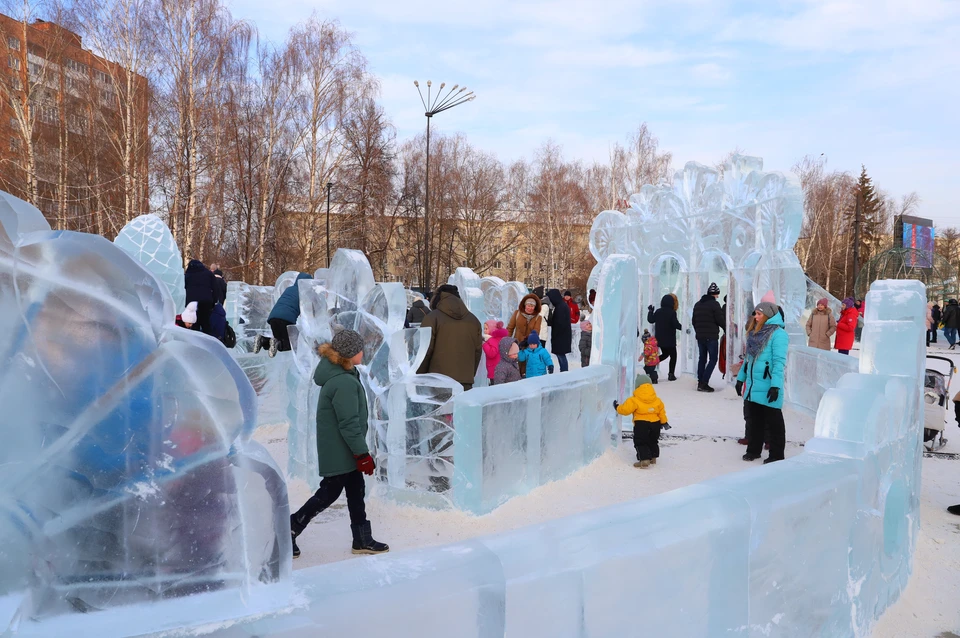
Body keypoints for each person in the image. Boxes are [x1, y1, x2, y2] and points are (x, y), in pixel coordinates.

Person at [289, 329, 388, 559]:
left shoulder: (343, 374)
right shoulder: (342, 382)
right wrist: (362, 454)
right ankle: (290, 528)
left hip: (344, 449)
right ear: (349, 354)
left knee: (356, 490)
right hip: (341, 450)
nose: (363, 352)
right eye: (359, 349)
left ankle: (362, 539)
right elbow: (349, 424)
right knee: (329, 493)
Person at [736, 301, 788, 463]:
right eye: (756, 314)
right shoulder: (754, 332)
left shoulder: (779, 334)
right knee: (754, 420)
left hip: (768, 384)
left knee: (774, 422)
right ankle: (753, 450)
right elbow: (748, 359)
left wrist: (775, 386)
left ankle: (776, 454)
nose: (756, 317)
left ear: (768, 315)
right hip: (753, 384)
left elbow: (779, 362)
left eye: (759, 314)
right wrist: (740, 379)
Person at [417, 284, 483, 390]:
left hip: (436, 382)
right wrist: (468, 375)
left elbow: (425, 351)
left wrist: (419, 377)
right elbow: (477, 352)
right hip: (465, 382)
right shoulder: (474, 321)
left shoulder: (432, 318)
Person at [614, 373, 671, 468]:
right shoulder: (657, 400)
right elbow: (662, 412)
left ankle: (644, 460)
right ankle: (653, 457)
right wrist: (664, 422)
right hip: (656, 424)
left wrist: (617, 407)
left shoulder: (634, 400)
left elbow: (625, 410)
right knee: (653, 440)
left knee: (641, 441)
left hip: (641, 424)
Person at [258, 272, 313, 356]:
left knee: (278, 340)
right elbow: (307, 311)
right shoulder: (303, 293)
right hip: (286, 320)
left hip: (273, 317)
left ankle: (263, 340)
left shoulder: (289, 289)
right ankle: (270, 341)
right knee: (288, 345)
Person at [692, 282, 725, 392]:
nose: (718, 297)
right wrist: (727, 329)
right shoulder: (714, 305)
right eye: (717, 295)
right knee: (713, 359)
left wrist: (698, 332)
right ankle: (704, 382)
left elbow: (694, 321)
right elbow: (720, 320)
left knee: (702, 358)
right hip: (711, 337)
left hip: (700, 337)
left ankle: (700, 380)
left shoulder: (697, 304)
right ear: (714, 294)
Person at [647, 294, 682, 381]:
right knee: (673, 356)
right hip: (670, 339)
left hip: (660, 339)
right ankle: (671, 374)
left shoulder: (658, 311)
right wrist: (683, 328)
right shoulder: (672, 313)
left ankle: (651, 364)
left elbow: (651, 320)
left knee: (665, 354)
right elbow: (675, 324)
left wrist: (650, 311)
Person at [184, 259, 217, 336]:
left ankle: (195, 343)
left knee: (194, 324)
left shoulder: (187, 275)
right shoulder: (209, 274)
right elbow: (215, 289)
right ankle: (209, 343)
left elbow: (184, 289)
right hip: (206, 302)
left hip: (191, 303)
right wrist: (213, 301)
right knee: (206, 324)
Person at [545, 289, 572, 372]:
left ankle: (564, 371)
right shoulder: (560, 306)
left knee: (561, 354)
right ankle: (563, 371)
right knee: (560, 354)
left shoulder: (560, 307)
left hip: (560, 336)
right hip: (562, 336)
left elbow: (558, 322)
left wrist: (549, 318)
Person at [482, 320, 510, 384]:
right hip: (496, 368)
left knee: (495, 386)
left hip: (494, 368)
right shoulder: (495, 339)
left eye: (486, 329)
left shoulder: (493, 340)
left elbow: (492, 353)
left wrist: (484, 344)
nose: (484, 331)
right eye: (484, 329)